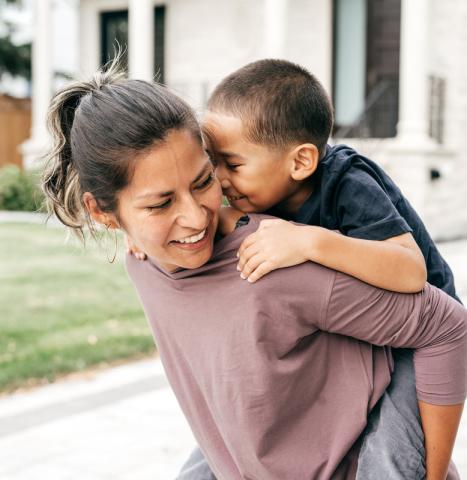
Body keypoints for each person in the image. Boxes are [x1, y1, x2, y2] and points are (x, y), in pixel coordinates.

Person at [42, 65, 466, 480]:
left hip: (416, 315)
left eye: (205, 180)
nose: (198, 216)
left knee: (392, 461)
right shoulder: (147, 257)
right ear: (104, 213)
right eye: (159, 204)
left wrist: (309, 241)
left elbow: (425, 295)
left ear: (300, 162)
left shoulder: (322, 209)